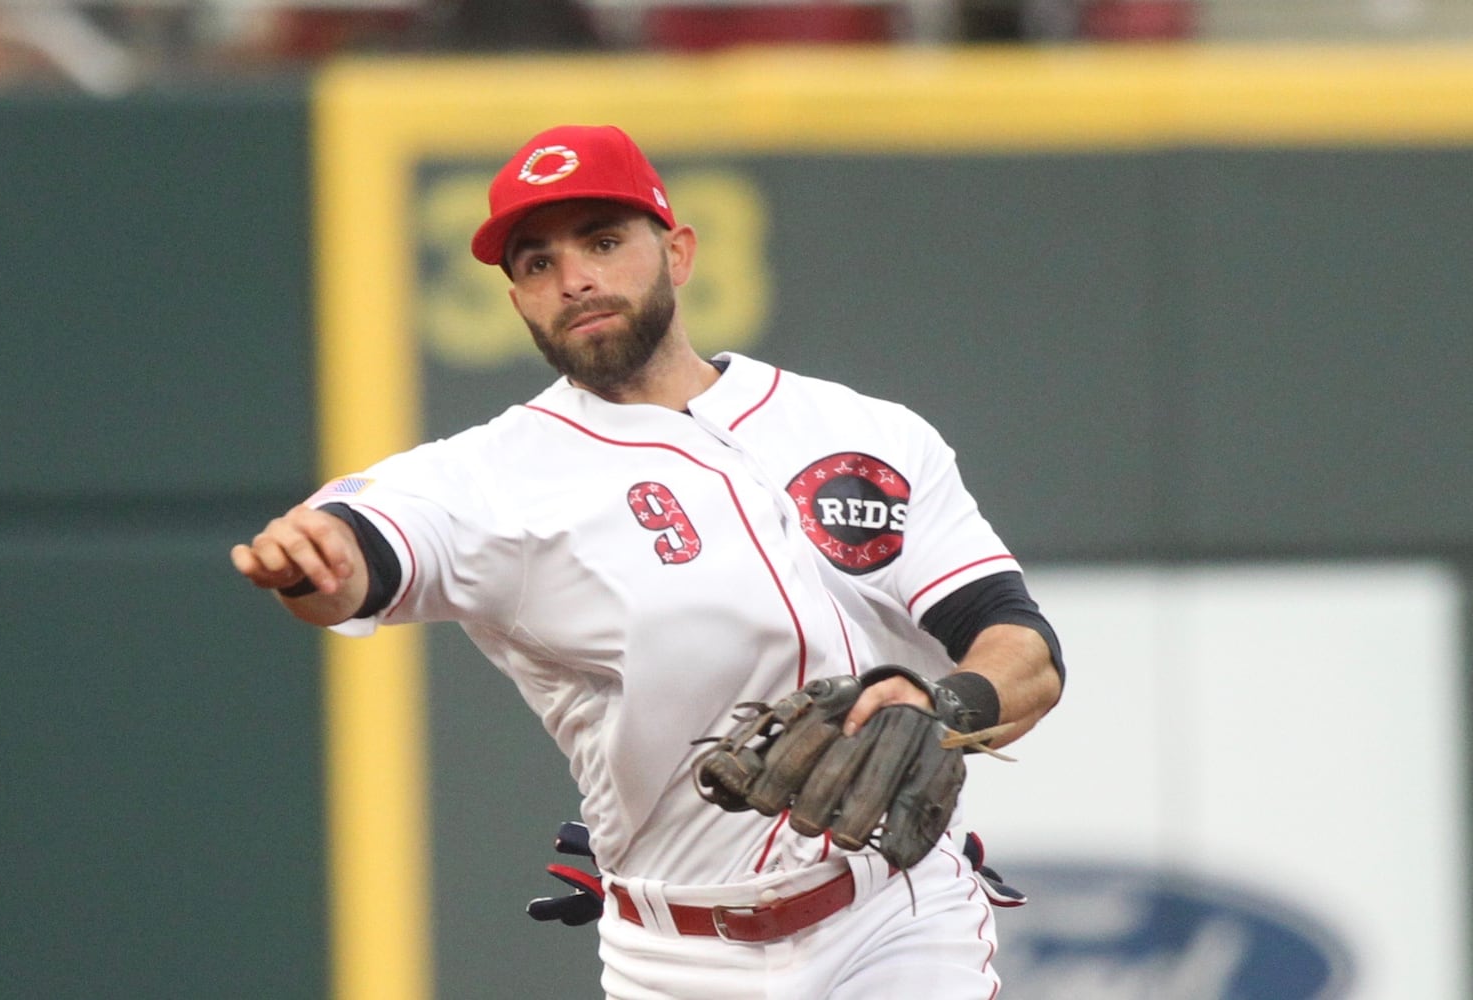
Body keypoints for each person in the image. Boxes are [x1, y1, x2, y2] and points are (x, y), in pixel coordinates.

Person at [230, 123, 1065, 999]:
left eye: (602, 241)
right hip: (680, 955)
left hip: (899, 917)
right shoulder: (492, 477)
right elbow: (368, 548)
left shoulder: (867, 431)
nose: (575, 278)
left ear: (677, 251)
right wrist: (316, 560)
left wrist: (946, 704)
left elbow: (1023, 649)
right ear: (516, 299)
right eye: (537, 263)